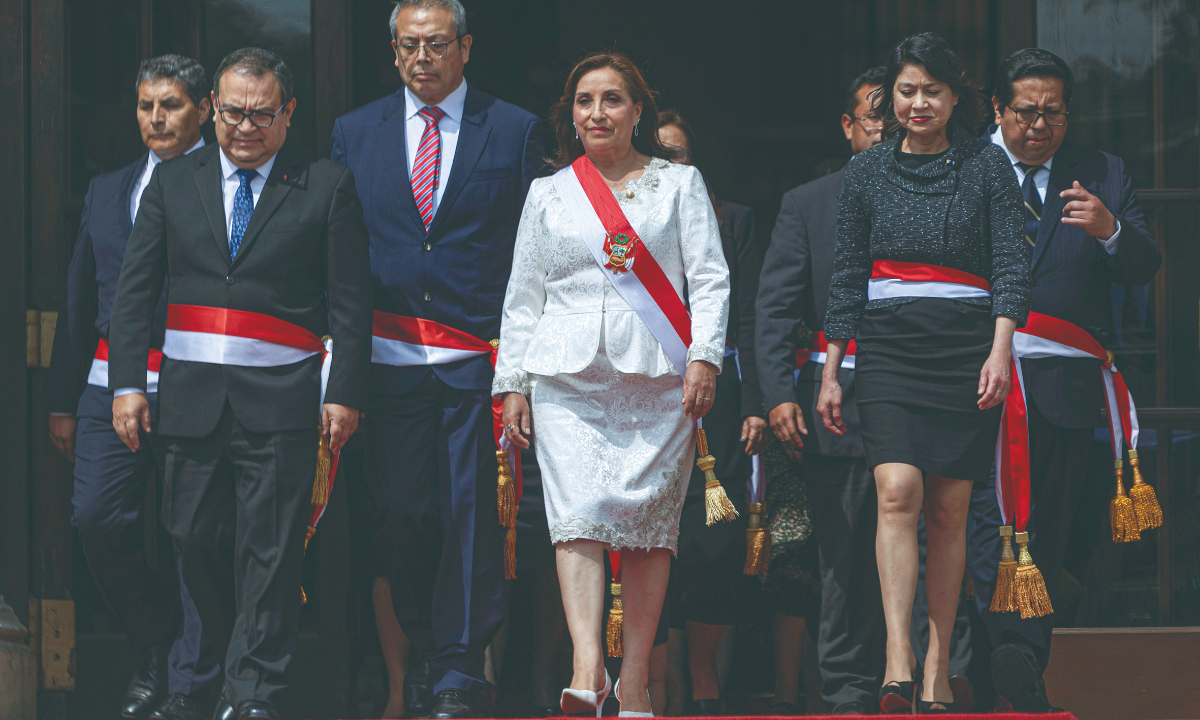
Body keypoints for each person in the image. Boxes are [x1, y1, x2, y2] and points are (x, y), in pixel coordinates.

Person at [108, 47, 373, 720]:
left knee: (270, 554)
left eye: (260, 114)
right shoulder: (173, 182)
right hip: (190, 403)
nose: (244, 127)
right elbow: (135, 292)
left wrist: (344, 391)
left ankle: (254, 692)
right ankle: (210, 667)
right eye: (231, 113)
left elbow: (350, 303)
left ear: (287, 114)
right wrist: (127, 384)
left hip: (283, 403)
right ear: (214, 110)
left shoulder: (326, 185)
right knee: (190, 536)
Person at [493, 51, 730, 717]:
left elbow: (708, 277)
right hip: (565, 381)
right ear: (570, 115)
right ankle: (587, 668)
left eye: (611, 100)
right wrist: (513, 381)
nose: (596, 113)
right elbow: (523, 295)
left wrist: (704, 356)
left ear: (637, 110)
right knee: (578, 521)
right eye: (584, 101)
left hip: (660, 376)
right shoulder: (549, 191)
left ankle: (637, 682)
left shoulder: (679, 184)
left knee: (650, 529)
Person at [330, 1, 544, 716]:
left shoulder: (511, 129)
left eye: (437, 44)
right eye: (409, 46)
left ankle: (457, 671)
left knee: (469, 517)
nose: (423, 57)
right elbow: (339, 257)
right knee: (399, 512)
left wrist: (519, 370)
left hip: (474, 366)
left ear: (466, 47)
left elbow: (530, 257)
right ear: (393, 53)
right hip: (386, 364)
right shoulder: (354, 133)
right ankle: (424, 646)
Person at [819, 32, 1031, 713]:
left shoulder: (987, 165)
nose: (918, 103)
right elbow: (847, 270)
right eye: (906, 91)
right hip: (889, 350)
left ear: (955, 96)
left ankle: (939, 662)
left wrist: (1001, 350)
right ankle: (896, 654)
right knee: (897, 490)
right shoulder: (867, 171)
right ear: (892, 95)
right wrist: (832, 368)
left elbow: (1009, 264)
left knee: (948, 509)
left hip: (965, 349)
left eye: (932, 91)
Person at [967, 48, 1161, 712]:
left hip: (1060, 392)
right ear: (998, 109)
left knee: (1039, 534)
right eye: (1025, 111)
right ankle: (976, 664)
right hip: (969, 383)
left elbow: (1144, 264)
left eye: (1054, 113)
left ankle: (1019, 660)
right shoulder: (960, 166)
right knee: (966, 526)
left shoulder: (1102, 172)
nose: (1040, 125)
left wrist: (1110, 231)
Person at [45, 54, 218, 720]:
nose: (155, 118)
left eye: (170, 104)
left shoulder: (227, 185)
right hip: (104, 387)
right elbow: (79, 295)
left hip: (194, 385)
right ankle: (157, 639)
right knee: (96, 518)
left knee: (190, 536)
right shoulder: (107, 189)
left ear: (202, 108)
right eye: (146, 105)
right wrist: (63, 398)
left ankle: (185, 687)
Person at [755, 66, 887, 716]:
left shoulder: (949, 195)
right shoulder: (809, 203)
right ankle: (848, 697)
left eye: (899, 110)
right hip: (839, 409)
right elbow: (775, 309)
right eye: (874, 114)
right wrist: (779, 393)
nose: (887, 124)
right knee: (845, 565)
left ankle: (920, 688)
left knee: (924, 550)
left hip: (923, 402)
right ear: (848, 126)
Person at [656, 109, 767, 715]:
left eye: (678, 154)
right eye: (660, 153)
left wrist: (754, 402)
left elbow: (748, 313)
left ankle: (699, 672)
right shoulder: (619, 219)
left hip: (715, 400)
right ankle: (652, 678)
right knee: (646, 535)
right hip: (642, 396)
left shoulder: (734, 222)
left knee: (713, 543)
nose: (670, 163)